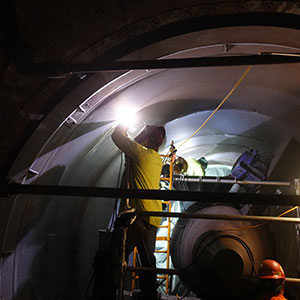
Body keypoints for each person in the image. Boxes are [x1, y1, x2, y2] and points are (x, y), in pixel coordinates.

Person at [110, 123, 166, 300]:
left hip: (139, 216)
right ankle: (149, 294)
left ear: (148, 138)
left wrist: (123, 125)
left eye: (144, 132)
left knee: (116, 254)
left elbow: (116, 137)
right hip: (153, 216)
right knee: (147, 259)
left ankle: (108, 291)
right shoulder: (156, 158)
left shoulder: (141, 153)